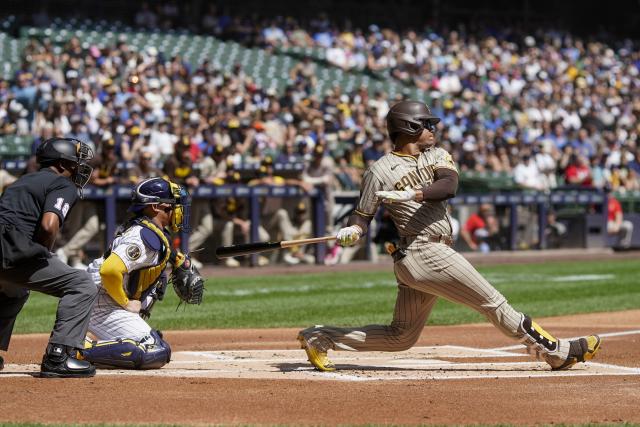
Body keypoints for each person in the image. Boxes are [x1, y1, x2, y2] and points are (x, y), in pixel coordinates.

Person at [297, 100, 601, 372]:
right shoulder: (379, 171)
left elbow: (449, 186)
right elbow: (362, 216)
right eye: (427, 124)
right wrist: (353, 230)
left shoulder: (438, 155)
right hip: (423, 252)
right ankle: (556, 353)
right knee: (494, 303)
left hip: (425, 255)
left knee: (401, 336)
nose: (432, 129)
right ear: (409, 127)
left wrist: (412, 194)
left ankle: (320, 336)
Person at [0, 137, 98, 377]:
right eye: (76, 162)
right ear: (63, 164)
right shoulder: (62, 183)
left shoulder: (22, 181)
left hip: (6, 247)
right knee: (82, 284)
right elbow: (48, 225)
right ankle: (59, 355)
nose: (79, 167)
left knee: (14, 290)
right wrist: (43, 252)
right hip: (11, 248)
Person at [80, 177, 203, 369]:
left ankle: (82, 341)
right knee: (155, 349)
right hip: (100, 301)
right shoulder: (142, 236)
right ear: (155, 207)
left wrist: (178, 260)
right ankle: (79, 349)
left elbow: (162, 253)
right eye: (171, 206)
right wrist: (126, 303)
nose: (178, 210)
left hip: (101, 297)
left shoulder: (151, 231)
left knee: (154, 341)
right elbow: (110, 270)